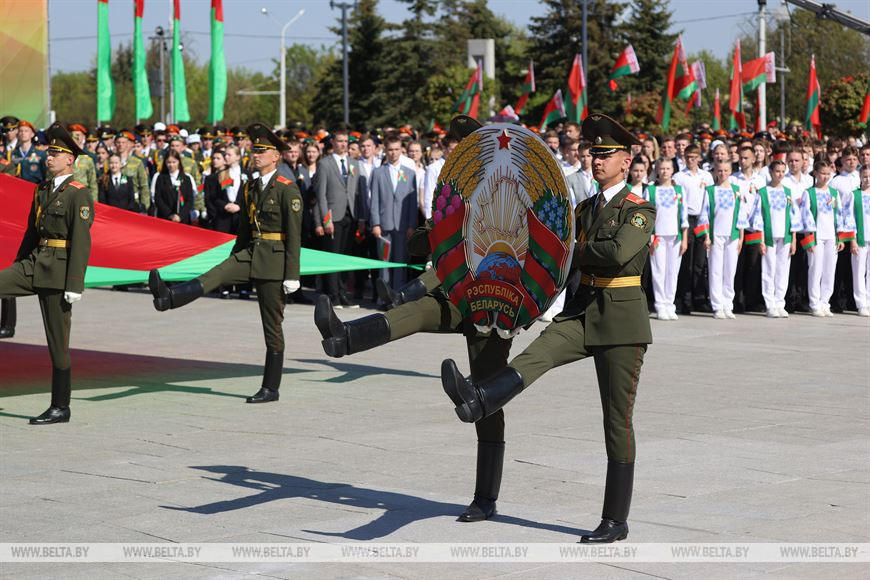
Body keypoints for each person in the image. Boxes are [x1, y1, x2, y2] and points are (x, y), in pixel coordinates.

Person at [439, 113, 655, 543]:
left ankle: (615, 519)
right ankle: (480, 397)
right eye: (593, 153)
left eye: (606, 154)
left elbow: (614, 255)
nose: (596, 160)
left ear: (626, 161)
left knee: (616, 421)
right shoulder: (586, 208)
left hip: (621, 321)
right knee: (534, 356)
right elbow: (554, 252)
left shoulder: (639, 208)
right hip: (580, 310)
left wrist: (572, 246)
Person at [317, 114, 516, 523]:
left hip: (492, 300)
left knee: (486, 396)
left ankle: (485, 497)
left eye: (460, 145)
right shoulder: (452, 189)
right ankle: (344, 337)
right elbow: (429, 245)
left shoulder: (505, 188)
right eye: (451, 145)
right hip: (453, 289)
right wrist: (432, 232)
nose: (451, 150)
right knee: (410, 313)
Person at [148, 124, 302, 403]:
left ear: (276, 156)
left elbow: (293, 236)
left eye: (262, 150)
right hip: (250, 252)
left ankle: (271, 387)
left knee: (272, 325)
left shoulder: (287, 190)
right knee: (216, 274)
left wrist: (292, 274)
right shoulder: (250, 186)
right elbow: (244, 229)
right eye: (254, 149)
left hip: (274, 261)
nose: (255, 154)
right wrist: (235, 257)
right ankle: (170, 297)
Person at [0, 123, 94, 424]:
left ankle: (60, 406)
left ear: (70, 160)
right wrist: (18, 265)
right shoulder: (41, 190)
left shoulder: (79, 194)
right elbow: (31, 232)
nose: (48, 157)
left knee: (57, 343)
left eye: (55, 153)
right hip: (34, 263)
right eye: (48, 152)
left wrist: (75, 283)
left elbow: (81, 240)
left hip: (59, 271)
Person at [747, 160, 801, 318]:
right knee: (769, 270)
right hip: (769, 237)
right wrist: (761, 240)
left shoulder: (788, 192)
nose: (780, 174)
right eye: (777, 171)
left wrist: (794, 239)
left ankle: (779, 302)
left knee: (783, 270)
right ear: (770, 172)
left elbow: (794, 217)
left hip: (785, 237)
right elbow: (758, 217)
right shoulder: (763, 192)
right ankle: (770, 303)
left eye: (783, 171)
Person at [314, 130, 361, 308]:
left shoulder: (353, 163)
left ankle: (343, 293)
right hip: (334, 216)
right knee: (333, 256)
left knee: (345, 257)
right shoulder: (325, 164)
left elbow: (356, 191)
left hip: (350, 214)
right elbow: (321, 195)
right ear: (333, 142)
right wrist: (326, 220)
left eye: (345, 141)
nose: (342, 144)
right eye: (339, 141)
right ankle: (332, 295)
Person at [369, 136, 417, 295]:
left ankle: (398, 295)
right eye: (390, 149)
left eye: (397, 149)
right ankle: (384, 296)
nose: (394, 153)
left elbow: (412, 201)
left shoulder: (410, 173)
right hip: (384, 225)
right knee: (384, 262)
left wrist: (412, 224)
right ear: (385, 150)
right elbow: (374, 199)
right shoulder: (378, 173)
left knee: (400, 261)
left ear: (401, 150)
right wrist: (375, 223)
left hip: (403, 225)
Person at [699, 161, 747, 319]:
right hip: (715, 236)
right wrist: (707, 235)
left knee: (730, 271)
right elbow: (705, 214)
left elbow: (741, 214)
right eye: (720, 170)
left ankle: (728, 304)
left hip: (732, 235)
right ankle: (717, 305)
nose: (723, 173)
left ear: (731, 171)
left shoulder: (736, 190)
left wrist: (740, 237)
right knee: (715, 270)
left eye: (726, 170)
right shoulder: (711, 191)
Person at [800, 160, 847, 317]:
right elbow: (806, 216)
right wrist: (809, 238)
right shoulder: (809, 192)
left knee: (829, 270)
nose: (825, 177)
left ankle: (825, 301)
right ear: (815, 173)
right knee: (815, 269)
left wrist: (840, 237)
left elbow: (839, 215)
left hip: (831, 237)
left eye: (828, 174)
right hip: (816, 237)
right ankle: (814, 303)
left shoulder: (833, 193)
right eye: (822, 173)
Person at [645, 157, 688, 320]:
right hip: (658, 237)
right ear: (657, 170)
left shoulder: (679, 190)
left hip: (675, 236)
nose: (665, 172)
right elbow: (647, 215)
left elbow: (683, 216)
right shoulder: (651, 190)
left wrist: (684, 239)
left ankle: (670, 304)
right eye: (662, 168)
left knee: (672, 272)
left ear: (673, 170)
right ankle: (660, 305)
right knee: (659, 271)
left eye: (668, 169)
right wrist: (649, 236)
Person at [673, 144, 713, 314]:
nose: (691, 160)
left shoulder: (707, 176)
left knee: (700, 261)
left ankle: (700, 298)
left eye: (694, 157)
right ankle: (684, 299)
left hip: (702, 218)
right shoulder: (680, 176)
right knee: (686, 262)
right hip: (687, 218)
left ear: (699, 158)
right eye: (688, 157)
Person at [842, 166, 870, 316]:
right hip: (860, 239)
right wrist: (851, 239)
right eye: (865, 176)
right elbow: (849, 218)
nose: (867, 179)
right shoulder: (854, 195)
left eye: (869, 176)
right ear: (860, 177)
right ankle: (861, 304)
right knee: (859, 272)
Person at [152, 149, 197, 224]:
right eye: (169, 162)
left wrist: (180, 215)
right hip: (165, 218)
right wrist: (170, 215)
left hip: (182, 219)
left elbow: (189, 200)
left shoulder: (186, 179)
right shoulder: (160, 178)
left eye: (174, 162)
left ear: (179, 162)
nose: (171, 165)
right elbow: (158, 198)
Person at [114, 129, 151, 213]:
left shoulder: (137, 162)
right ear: (115, 144)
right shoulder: (110, 161)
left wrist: (145, 207)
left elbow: (144, 186)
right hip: (115, 203)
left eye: (123, 143)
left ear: (128, 144)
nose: (121, 145)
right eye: (118, 142)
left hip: (134, 203)